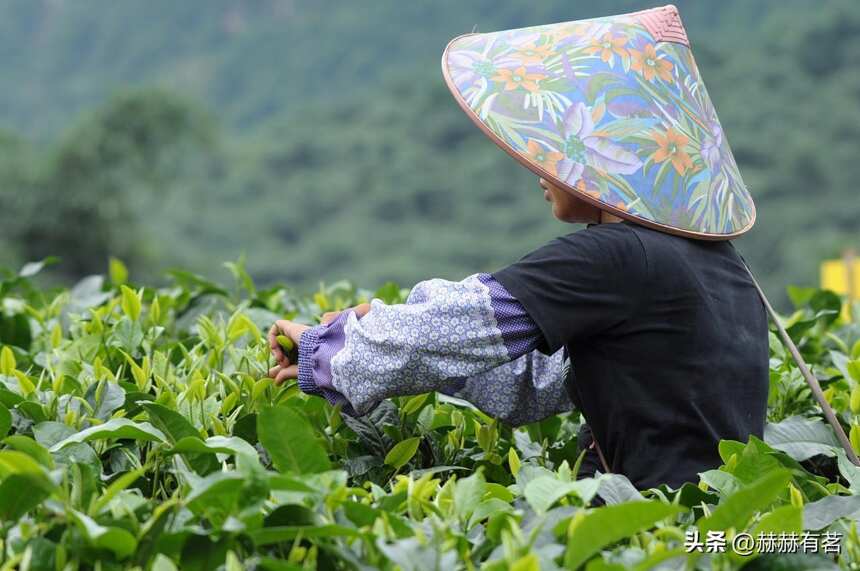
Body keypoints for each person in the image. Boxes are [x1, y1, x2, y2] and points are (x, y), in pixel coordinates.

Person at [268, 5, 770, 490]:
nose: (539, 168)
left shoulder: (617, 257)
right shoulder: (718, 263)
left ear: (603, 157)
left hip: (655, 527)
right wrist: (368, 325)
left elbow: (473, 322)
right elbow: (537, 380)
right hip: (717, 522)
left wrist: (323, 351)